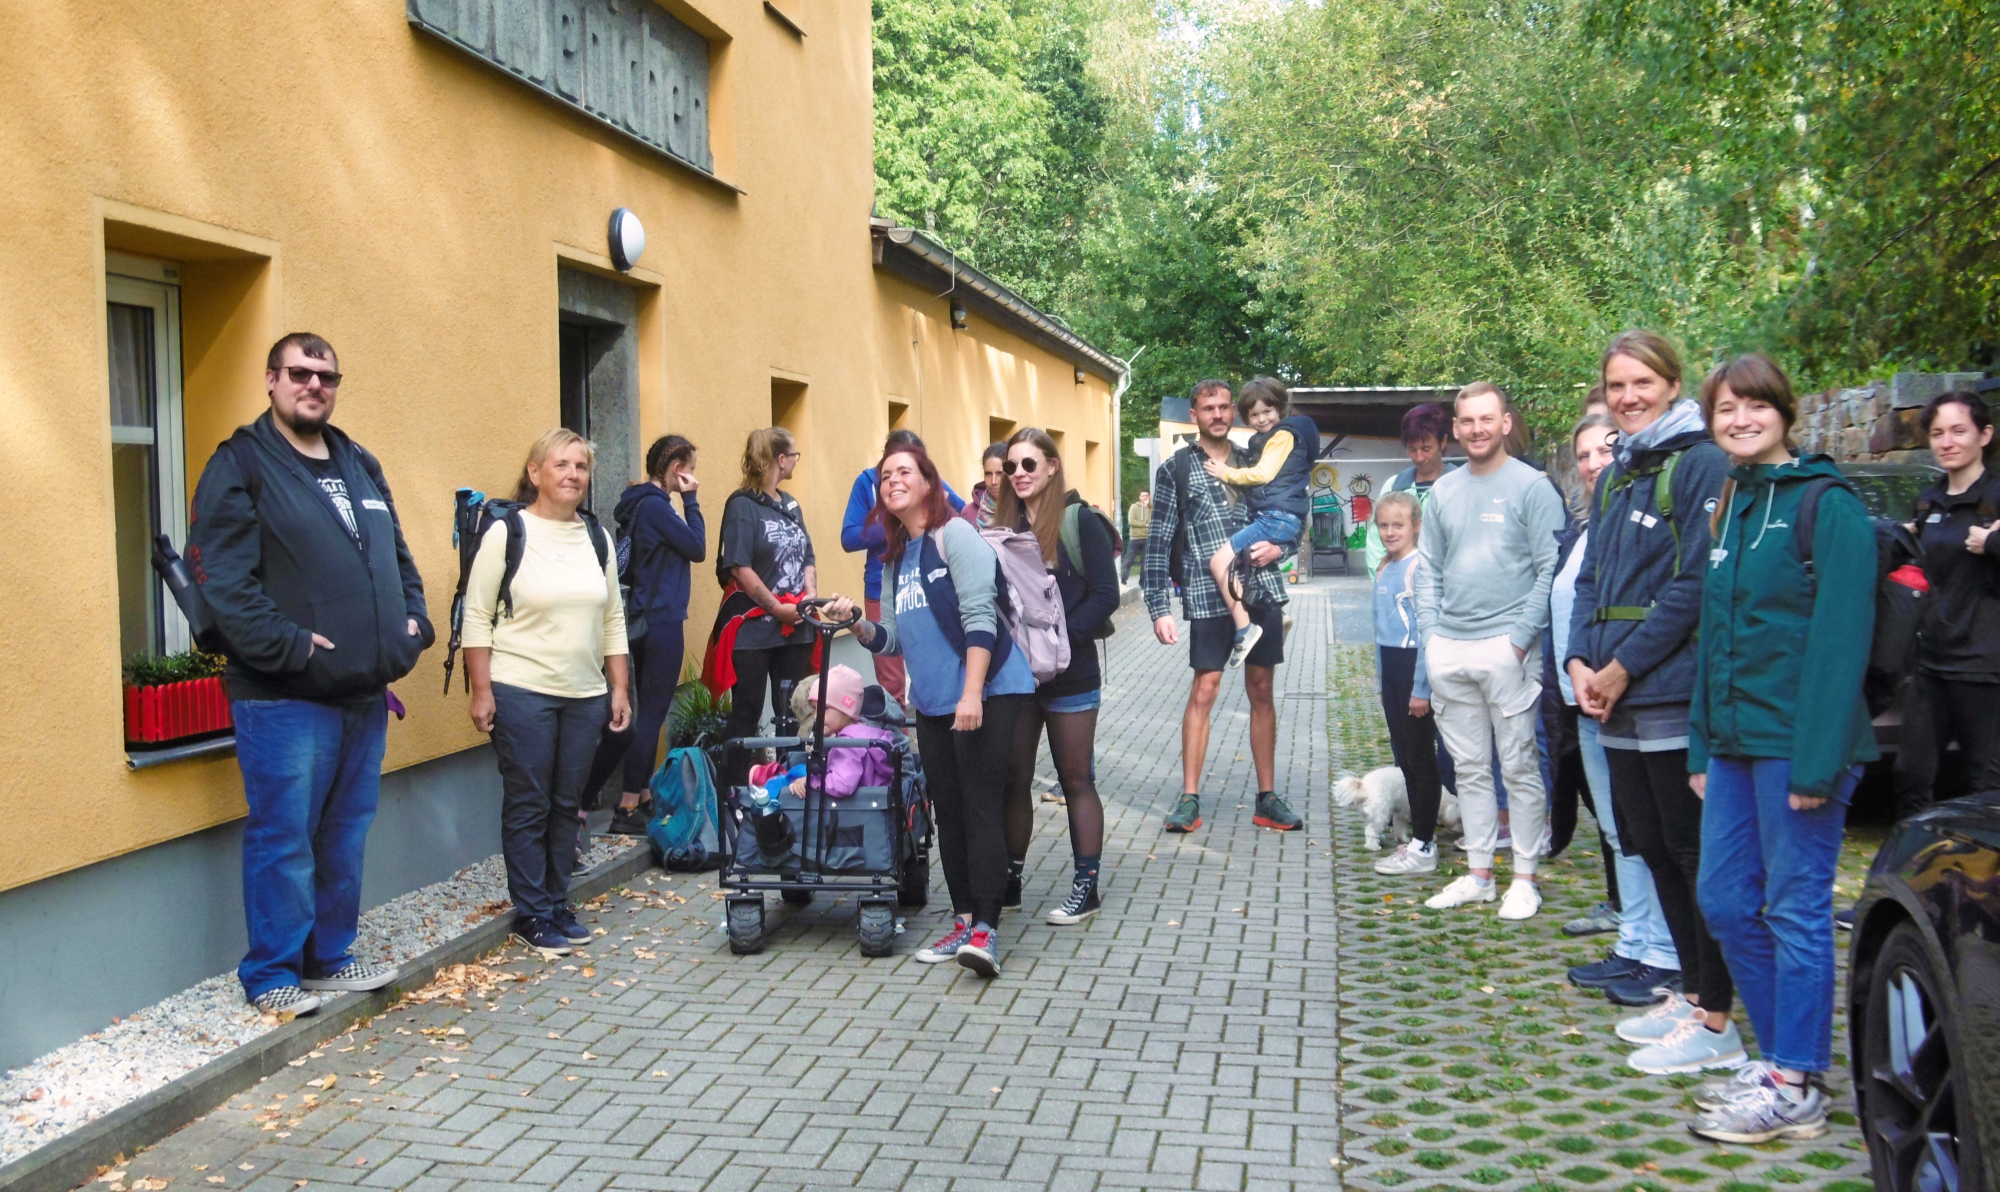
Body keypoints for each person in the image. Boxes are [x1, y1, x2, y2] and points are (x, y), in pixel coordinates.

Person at [190, 332, 429, 1016]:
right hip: (283, 697)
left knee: (343, 836)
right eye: (300, 372)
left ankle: (329, 957)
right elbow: (224, 584)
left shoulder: (358, 461)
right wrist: (294, 647)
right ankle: (271, 975)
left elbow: (397, 556)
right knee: (283, 837)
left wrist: (414, 625)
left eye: (327, 375)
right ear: (271, 379)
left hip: (363, 692)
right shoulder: (242, 464)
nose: (314, 384)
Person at [1683, 353, 1877, 1143]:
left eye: (1754, 406)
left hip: (1800, 748)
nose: (1739, 419)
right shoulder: (1730, 500)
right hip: (1732, 744)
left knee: (1794, 910)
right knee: (1726, 901)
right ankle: (1780, 1063)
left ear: (1784, 412)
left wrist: (1816, 763)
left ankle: (1796, 1083)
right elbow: (1714, 632)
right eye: (1725, 409)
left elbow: (1841, 644)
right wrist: (1701, 743)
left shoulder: (1827, 507)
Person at [1565, 331, 1738, 1056]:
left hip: (1666, 691)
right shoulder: (1617, 475)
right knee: (1650, 847)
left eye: (1643, 383)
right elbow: (1588, 581)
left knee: (1693, 851)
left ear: (1672, 385)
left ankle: (1715, 1018)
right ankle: (1689, 995)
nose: (1629, 397)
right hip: (1612, 698)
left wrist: (1623, 666)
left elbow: (1694, 584)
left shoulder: (1704, 464)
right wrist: (1578, 660)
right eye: (1617, 386)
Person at [828, 444, 1037, 977]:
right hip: (934, 701)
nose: (892, 481)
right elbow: (894, 639)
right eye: (884, 476)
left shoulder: (956, 536)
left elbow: (980, 618)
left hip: (987, 690)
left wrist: (971, 694)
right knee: (947, 809)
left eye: (904, 472)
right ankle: (964, 921)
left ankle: (986, 930)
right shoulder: (897, 555)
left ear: (927, 482)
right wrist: (857, 621)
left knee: (980, 805)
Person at [460, 429, 631, 957]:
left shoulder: (597, 537)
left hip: (584, 693)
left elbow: (612, 616)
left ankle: (557, 901)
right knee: (530, 802)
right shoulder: (508, 532)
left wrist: (619, 686)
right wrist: (481, 689)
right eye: (560, 464)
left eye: (581, 466)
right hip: (520, 689)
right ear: (535, 472)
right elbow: (477, 613)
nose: (572, 474)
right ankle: (532, 910)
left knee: (567, 802)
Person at [1414, 382, 1565, 920]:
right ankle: (1479, 873)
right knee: (1471, 768)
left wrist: (1520, 639)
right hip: (1450, 648)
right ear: (1455, 429)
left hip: (1509, 649)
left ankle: (1524, 877)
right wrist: (1431, 637)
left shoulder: (1533, 487)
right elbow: (1427, 568)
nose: (1477, 429)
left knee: (1520, 766)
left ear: (1505, 423)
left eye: (1487, 419)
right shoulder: (1445, 494)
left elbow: (1552, 567)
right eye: (1467, 421)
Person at [1553, 414, 1683, 1000]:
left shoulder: (1643, 508)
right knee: (1618, 831)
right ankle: (1636, 941)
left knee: (1651, 835)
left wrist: (1612, 670)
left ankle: (1666, 953)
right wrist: (1578, 666)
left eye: (1605, 450)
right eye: (1583, 455)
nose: (1594, 463)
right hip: (1585, 700)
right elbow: (1583, 597)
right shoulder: (1589, 524)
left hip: (1636, 697)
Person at [1141, 379, 1303, 834]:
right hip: (1207, 594)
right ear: (1193, 415)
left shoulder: (1259, 457)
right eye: (1207, 408)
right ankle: (1189, 797)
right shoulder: (1176, 469)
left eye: (1223, 406)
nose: (1217, 414)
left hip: (1261, 587)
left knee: (1262, 689)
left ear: (1233, 411)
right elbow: (1158, 541)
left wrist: (1283, 550)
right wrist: (1158, 606)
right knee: (1205, 689)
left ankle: (1267, 798)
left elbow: (1292, 511)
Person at [993, 428, 1121, 924]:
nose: (1019, 474)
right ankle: (1009, 882)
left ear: (1051, 466)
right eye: (1011, 467)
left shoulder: (1079, 522)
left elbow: (1106, 595)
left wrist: (1063, 643)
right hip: (1019, 676)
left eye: (1029, 465)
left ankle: (1085, 887)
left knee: (1075, 779)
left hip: (1071, 673)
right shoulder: (1003, 526)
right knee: (1014, 779)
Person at [581, 434, 705, 838]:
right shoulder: (656, 506)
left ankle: (645, 794)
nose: (692, 476)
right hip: (661, 619)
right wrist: (692, 501)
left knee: (644, 709)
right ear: (675, 469)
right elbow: (697, 547)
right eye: (690, 469)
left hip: (641, 618)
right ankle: (628, 804)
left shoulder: (638, 503)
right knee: (652, 712)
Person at [1890, 390, 2000, 820]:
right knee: (1911, 776)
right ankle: (1904, 879)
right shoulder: (1926, 501)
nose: (1946, 441)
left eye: (1958, 431)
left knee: (1985, 788)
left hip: (1985, 668)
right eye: (1937, 433)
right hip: (1930, 663)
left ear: (1984, 435)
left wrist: (1993, 542)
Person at [709, 427, 817, 784]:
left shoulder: (791, 505)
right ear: (780, 460)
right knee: (747, 710)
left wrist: (808, 598)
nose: (797, 461)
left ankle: (793, 785)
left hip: (796, 626)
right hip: (754, 629)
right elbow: (739, 568)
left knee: (795, 711)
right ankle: (735, 792)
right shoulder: (742, 506)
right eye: (795, 455)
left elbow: (808, 556)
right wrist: (777, 608)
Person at [1202, 378, 1318, 666]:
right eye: (1254, 415)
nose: (1262, 419)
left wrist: (1225, 472)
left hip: (1275, 517)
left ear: (1280, 409)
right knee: (1241, 566)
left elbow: (1262, 474)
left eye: (1268, 411)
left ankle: (1245, 629)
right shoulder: (1270, 438)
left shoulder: (1283, 436)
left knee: (1218, 563)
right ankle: (1276, 615)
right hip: (1280, 517)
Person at [841, 430, 963, 704]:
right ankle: (899, 743)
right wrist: (895, 525)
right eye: (891, 467)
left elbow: (963, 511)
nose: (897, 477)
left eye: (909, 466)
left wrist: (927, 509)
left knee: (937, 666)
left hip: (932, 583)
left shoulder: (926, 481)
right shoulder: (868, 482)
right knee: (891, 681)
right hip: (882, 586)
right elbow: (849, 536)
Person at [1369, 491, 1449, 876]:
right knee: (1404, 759)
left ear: (1416, 525)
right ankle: (1415, 837)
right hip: (1392, 672)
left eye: (1397, 525)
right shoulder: (1385, 567)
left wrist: (1422, 688)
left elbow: (1425, 630)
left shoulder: (1420, 567)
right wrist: (1384, 683)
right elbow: (1382, 631)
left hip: (1414, 669)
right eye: (1383, 525)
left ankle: (1425, 842)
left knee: (1421, 759)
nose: (1389, 532)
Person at [1365, 403, 1455, 578]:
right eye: (1412, 449)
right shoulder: (1394, 486)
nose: (1419, 457)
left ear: (1443, 442)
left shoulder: (1458, 486)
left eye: (1426, 449)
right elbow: (1375, 542)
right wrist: (1385, 581)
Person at [960, 443, 1007, 529]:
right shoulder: (968, 513)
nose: (993, 481)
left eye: (1000, 474)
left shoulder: (1025, 509)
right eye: (988, 474)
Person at [1123, 490, 1152, 583]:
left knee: (1145, 562)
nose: (1144, 498)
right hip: (1135, 538)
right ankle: (1124, 579)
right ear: (1140, 497)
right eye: (1143, 496)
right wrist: (1145, 525)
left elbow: (1151, 520)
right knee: (1129, 560)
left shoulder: (1151, 508)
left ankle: (1142, 582)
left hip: (1147, 538)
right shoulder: (1134, 507)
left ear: (1149, 497)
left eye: (1146, 496)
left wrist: (1147, 508)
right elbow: (1131, 521)